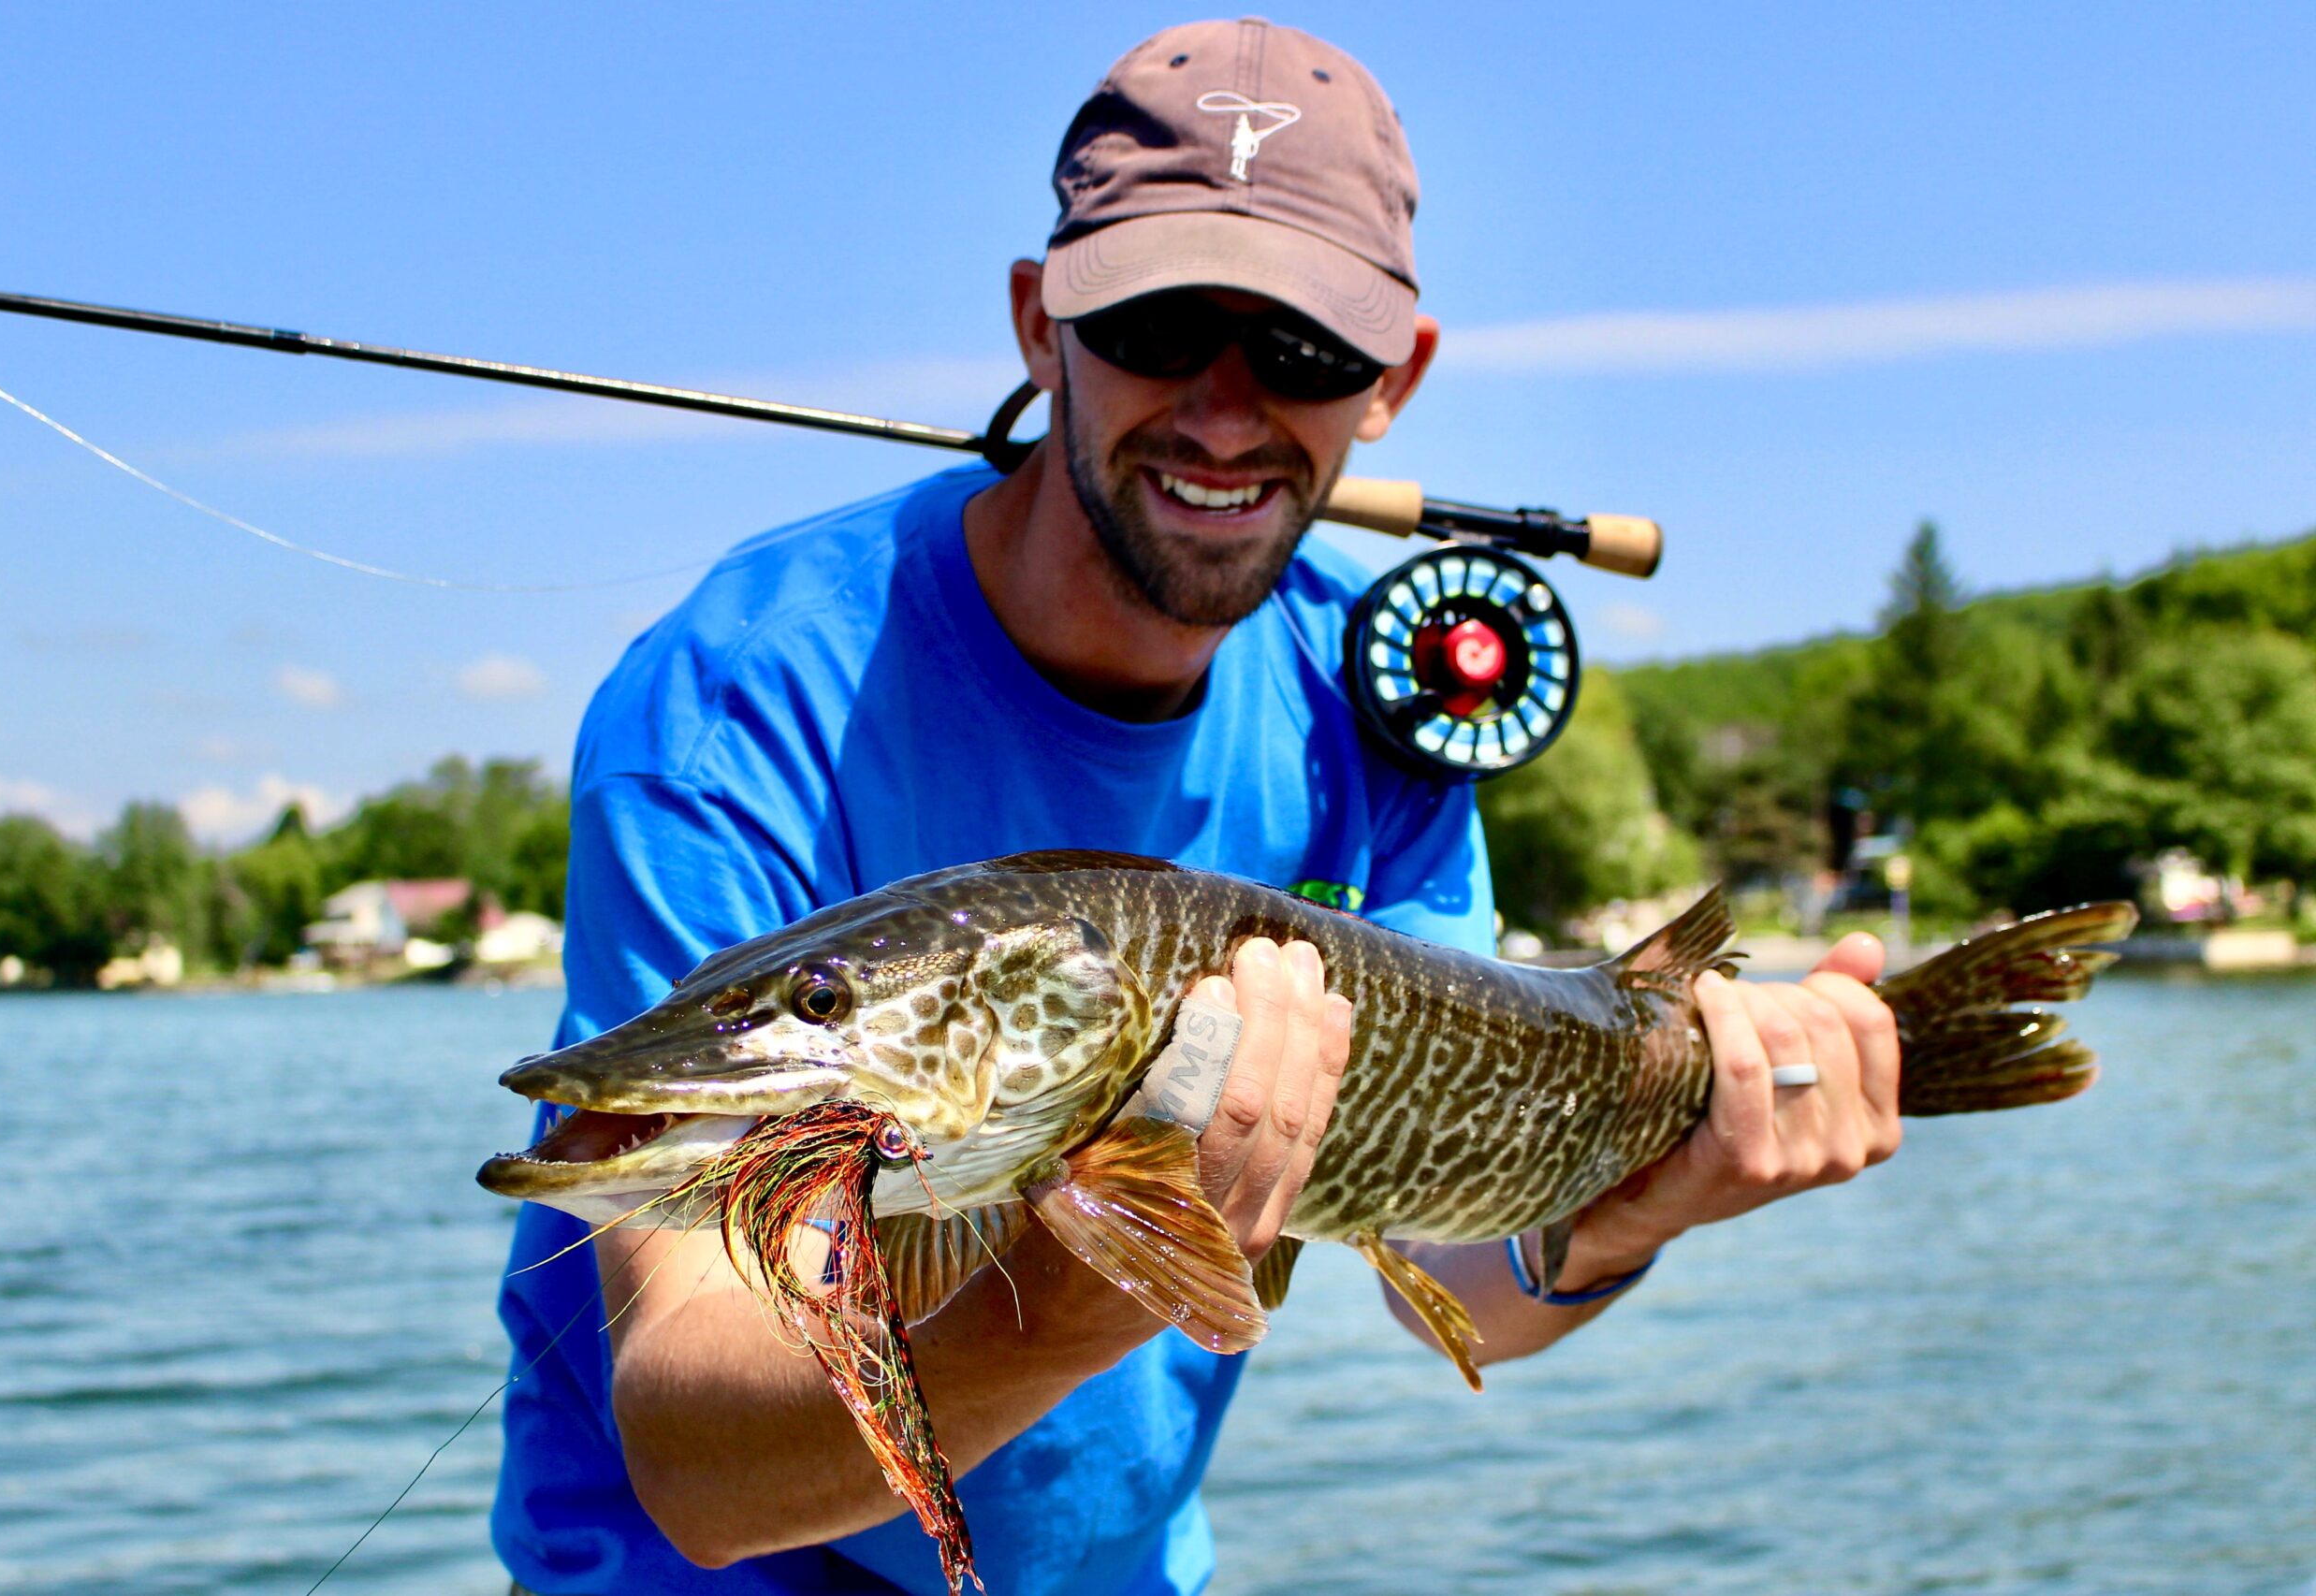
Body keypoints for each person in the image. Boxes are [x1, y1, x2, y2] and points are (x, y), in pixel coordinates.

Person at [491, 19, 1901, 1596]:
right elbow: (698, 1454)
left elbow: (1456, 1259)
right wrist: (1094, 1281)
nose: (1227, 412)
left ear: (1397, 380)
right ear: (1042, 323)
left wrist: (1651, 1205)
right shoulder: (738, 703)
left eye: (1305, 353)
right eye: (1160, 325)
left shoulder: (1381, 707)